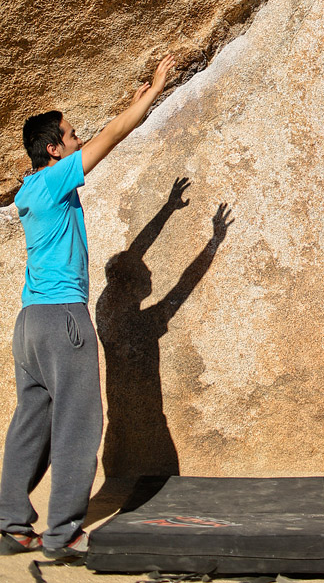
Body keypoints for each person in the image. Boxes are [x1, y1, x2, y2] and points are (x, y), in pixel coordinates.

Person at [0, 54, 175, 563]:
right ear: (53, 149)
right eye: (72, 135)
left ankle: (11, 523)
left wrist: (164, 212)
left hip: (29, 324)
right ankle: (63, 532)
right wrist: (152, 91)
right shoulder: (55, 180)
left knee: (31, 419)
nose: (79, 140)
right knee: (79, 419)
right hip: (62, 319)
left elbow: (135, 251)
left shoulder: (28, 191)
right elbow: (113, 136)